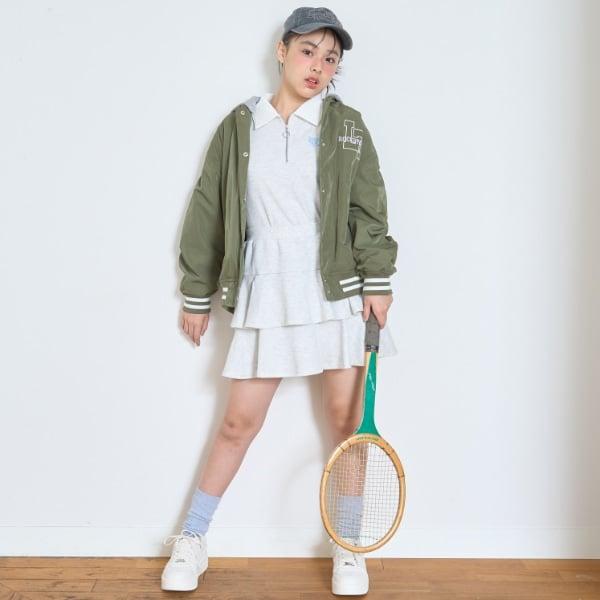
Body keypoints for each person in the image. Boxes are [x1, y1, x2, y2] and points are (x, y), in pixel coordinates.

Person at [161, 7, 398, 595]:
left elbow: (369, 209)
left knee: (347, 423)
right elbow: (208, 209)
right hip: (266, 286)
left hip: (336, 290)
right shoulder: (240, 127)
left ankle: (348, 544)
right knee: (238, 422)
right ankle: (192, 537)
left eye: (331, 58)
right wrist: (196, 293)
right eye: (309, 51)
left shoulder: (348, 127)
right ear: (282, 50)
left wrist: (378, 280)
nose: (318, 66)